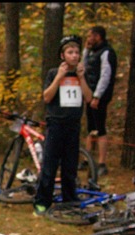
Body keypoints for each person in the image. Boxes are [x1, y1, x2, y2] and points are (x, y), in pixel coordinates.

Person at [32, 36, 92, 217]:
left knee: (70, 167)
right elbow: (47, 97)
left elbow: (89, 98)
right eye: (70, 52)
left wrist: (81, 78)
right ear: (62, 55)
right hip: (56, 123)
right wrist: (59, 77)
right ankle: (42, 201)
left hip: (73, 125)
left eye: (76, 52)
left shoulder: (81, 74)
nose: (74, 56)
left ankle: (70, 201)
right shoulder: (53, 73)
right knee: (50, 165)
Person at [82, 25, 117, 178]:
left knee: (100, 128)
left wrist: (97, 96)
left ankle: (102, 163)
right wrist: (85, 49)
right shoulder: (91, 52)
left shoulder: (107, 52)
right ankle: (87, 158)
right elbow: (83, 66)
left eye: (90, 36)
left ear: (98, 36)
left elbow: (105, 75)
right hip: (89, 95)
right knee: (91, 127)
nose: (88, 39)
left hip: (99, 96)